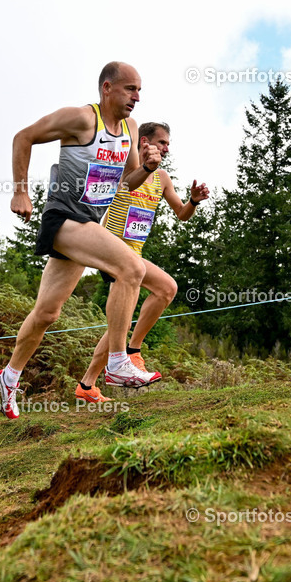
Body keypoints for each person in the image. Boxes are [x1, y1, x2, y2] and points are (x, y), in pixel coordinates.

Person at [0, 62, 163, 419]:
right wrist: (20, 192)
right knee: (131, 269)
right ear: (107, 88)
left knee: (47, 313)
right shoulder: (82, 119)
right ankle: (117, 361)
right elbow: (23, 137)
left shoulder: (130, 128)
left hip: (87, 223)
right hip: (64, 219)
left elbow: (128, 183)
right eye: (130, 88)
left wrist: (147, 168)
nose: (137, 97)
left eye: (139, 90)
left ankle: (8, 376)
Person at [76, 122, 209, 394]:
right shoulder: (126, 166)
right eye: (162, 142)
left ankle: (88, 384)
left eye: (168, 144)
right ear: (145, 141)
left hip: (134, 256)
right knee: (131, 315)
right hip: (112, 251)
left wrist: (193, 201)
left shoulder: (162, 178)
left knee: (160, 294)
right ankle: (131, 352)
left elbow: (182, 214)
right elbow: (119, 184)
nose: (166, 148)